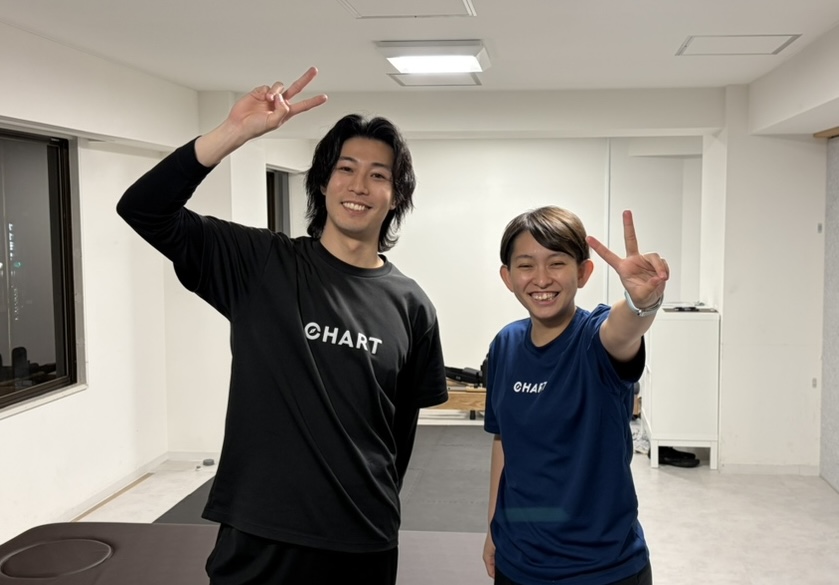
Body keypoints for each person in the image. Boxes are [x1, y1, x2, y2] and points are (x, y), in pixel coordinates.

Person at [117, 67, 448, 585]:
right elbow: (143, 209)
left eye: (378, 175)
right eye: (345, 168)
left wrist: (373, 509)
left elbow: (398, 433)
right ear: (323, 182)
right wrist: (232, 133)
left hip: (363, 539)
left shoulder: (412, 305)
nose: (359, 185)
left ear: (396, 195)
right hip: (260, 535)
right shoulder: (260, 264)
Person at [482, 206, 668, 585]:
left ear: (583, 272)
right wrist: (492, 528)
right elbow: (504, 442)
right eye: (526, 265)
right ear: (508, 277)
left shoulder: (594, 340)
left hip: (603, 568)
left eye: (557, 263)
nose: (541, 279)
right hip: (518, 560)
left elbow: (623, 330)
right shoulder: (506, 344)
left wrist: (642, 303)